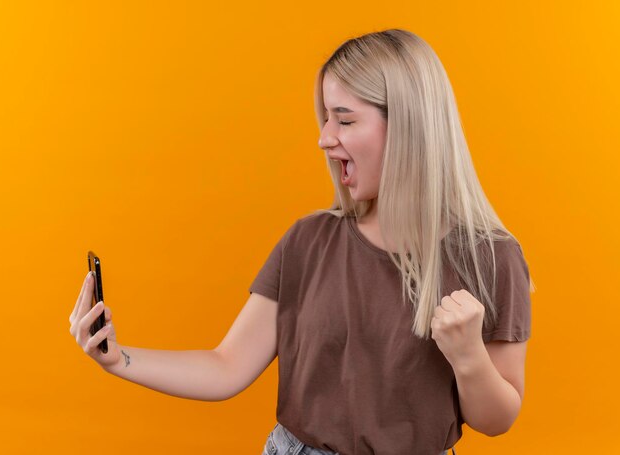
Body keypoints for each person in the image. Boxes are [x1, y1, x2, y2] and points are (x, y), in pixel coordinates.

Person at [69, 28, 534, 455]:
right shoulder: (308, 242)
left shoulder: (490, 258)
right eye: (326, 118)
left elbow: (496, 420)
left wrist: (468, 355)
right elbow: (226, 365)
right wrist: (117, 358)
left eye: (345, 120)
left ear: (409, 126)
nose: (324, 138)